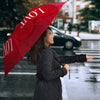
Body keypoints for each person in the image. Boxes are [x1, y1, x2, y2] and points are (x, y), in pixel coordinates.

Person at [27, 27, 96, 100]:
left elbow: (62, 59)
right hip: (48, 92)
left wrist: (82, 57)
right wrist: (64, 70)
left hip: (46, 90)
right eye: (50, 34)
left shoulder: (46, 51)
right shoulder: (46, 52)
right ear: (43, 37)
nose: (53, 36)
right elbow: (47, 75)